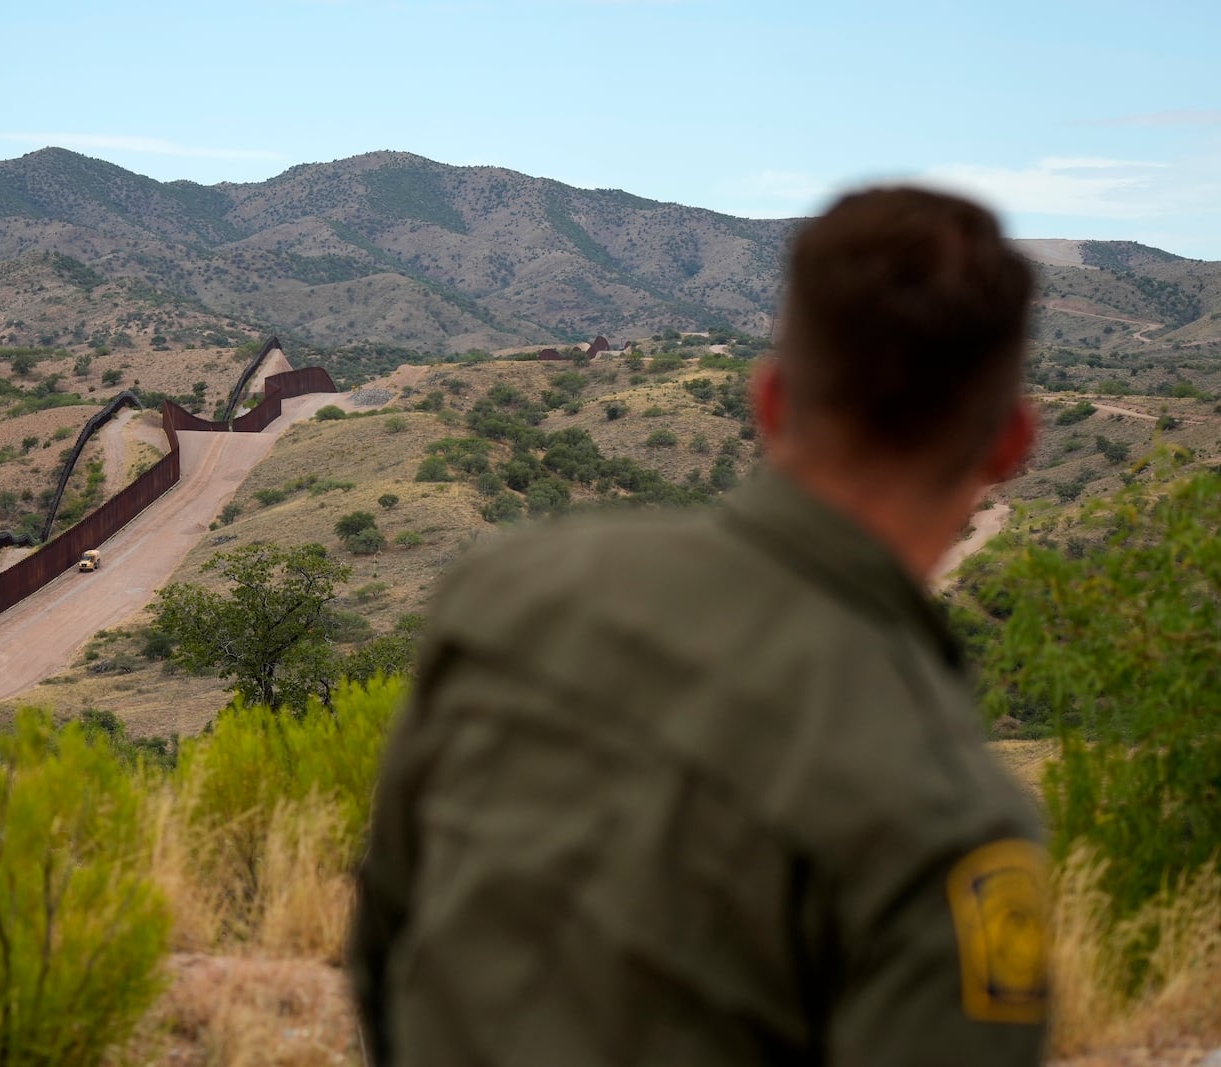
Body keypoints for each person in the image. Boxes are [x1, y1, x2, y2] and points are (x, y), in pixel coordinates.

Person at [349, 187, 1050, 1066]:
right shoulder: (951, 818)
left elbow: (385, 946)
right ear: (1011, 444)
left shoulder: (506, 589)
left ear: (770, 400)